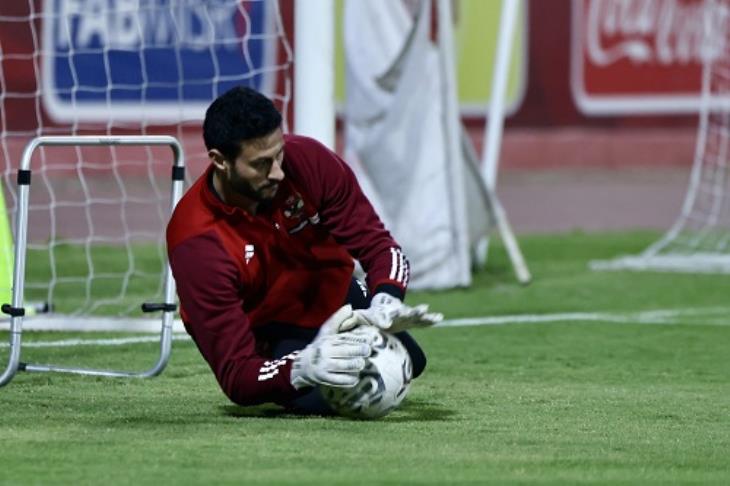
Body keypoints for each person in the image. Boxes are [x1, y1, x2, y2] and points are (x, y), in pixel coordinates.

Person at [166, 86, 441, 414]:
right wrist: (300, 367)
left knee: (410, 363)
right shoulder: (196, 242)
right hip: (271, 334)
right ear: (220, 161)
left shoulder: (309, 161)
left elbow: (380, 247)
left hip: (336, 299)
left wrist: (387, 298)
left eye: (279, 153)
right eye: (261, 164)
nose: (278, 172)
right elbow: (236, 374)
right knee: (340, 393)